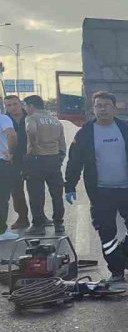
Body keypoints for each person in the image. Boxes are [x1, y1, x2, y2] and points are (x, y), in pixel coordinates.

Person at [64, 92, 128, 282]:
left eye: (106, 105)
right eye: (98, 105)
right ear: (93, 109)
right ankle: (116, 270)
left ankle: (125, 250)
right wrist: (69, 185)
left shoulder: (126, 129)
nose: (102, 109)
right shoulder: (85, 133)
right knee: (106, 232)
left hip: (127, 188)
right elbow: (74, 162)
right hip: (100, 192)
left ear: (114, 108)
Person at [23, 94, 67, 235]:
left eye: (26, 106)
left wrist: (34, 147)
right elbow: (62, 144)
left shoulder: (32, 118)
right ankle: (59, 223)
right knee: (57, 194)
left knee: (36, 194)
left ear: (31, 106)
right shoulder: (55, 121)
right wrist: (59, 158)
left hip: (37, 159)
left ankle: (38, 226)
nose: (25, 109)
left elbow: (31, 130)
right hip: (53, 159)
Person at [3, 95, 30, 230]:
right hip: (13, 160)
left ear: (21, 104)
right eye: (9, 105)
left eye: (15, 104)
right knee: (16, 190)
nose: (12, 107)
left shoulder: (30, 117)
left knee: (36, 189)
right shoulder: (5, 120)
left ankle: (40, 217)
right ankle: (22, 217)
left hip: (31, 158)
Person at [0, 107, 18, 241]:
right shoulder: (3, 118)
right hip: (2, 162)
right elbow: (11, 134)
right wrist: (11, 153)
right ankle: (1, 231)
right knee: (2, 198)